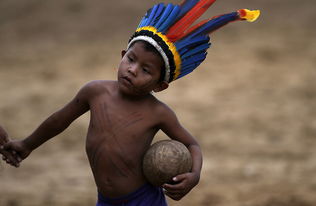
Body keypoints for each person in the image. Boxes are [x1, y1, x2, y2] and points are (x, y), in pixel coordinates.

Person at [0, 0, 260, 205]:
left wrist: (194, 175)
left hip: (144, 201)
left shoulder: (158, 113)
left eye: (146, 70)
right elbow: (59, 120)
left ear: (160, 85)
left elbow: (192, 144)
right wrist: (27, 144)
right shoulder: (95, 92)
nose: (133, 70)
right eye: (131, 59)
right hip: (106, 201)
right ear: (123, 55)